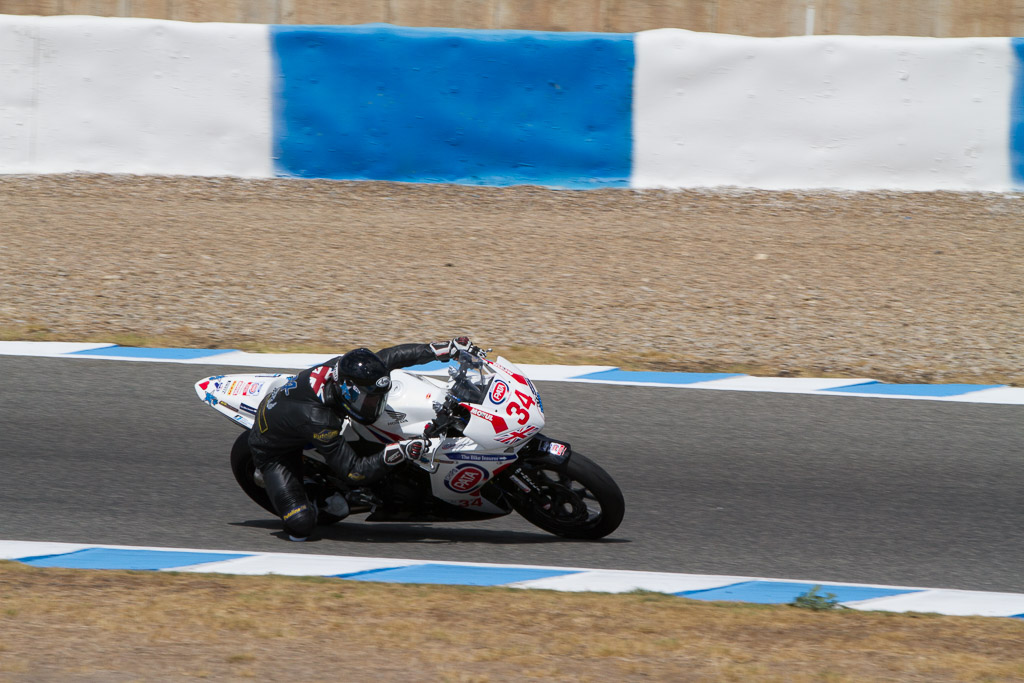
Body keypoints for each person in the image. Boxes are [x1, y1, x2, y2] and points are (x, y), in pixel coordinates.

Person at [248, 337, 474, 541]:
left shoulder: (351, 370)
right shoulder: (319, 420)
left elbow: (393, 355)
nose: (374, 406)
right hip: (273, 451)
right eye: (369, 401)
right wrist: (399, 451)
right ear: (348, 392)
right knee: (301, 525)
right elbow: (354, 472)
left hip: (295, 414)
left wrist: (443, 349)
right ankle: (288, 482)